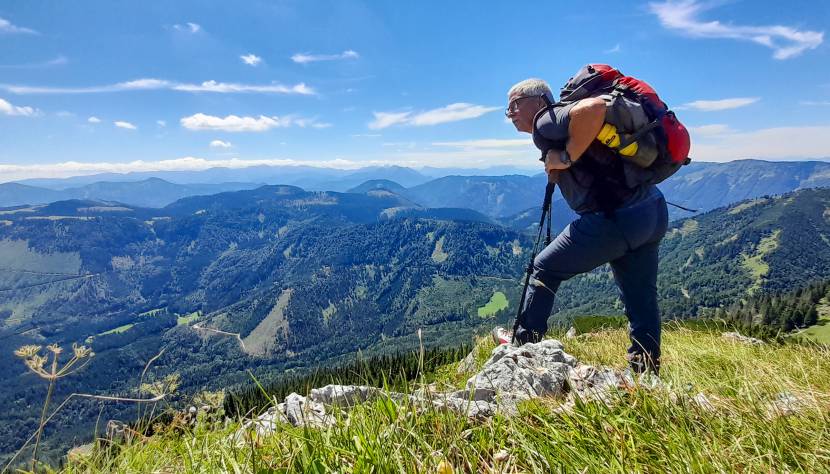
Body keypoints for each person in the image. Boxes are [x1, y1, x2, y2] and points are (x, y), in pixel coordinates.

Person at [493, 78, 669, 374]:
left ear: (538, 101)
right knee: (640, 298)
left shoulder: (546, 119)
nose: (510, 113)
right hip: (651, 211)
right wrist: (562, 163)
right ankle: (644, 373)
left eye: (514, 104)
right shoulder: (557, 122)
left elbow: (594, 107)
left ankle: (523, 349)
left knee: (544, 269)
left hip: (615, 219)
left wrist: (566, 156)